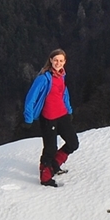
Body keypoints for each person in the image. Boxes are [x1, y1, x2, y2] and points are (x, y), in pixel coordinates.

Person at [24, 48, 79, 187]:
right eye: (56, 60)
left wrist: (69, 110)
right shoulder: (43, 78)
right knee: (50, 148)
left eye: (61, 61)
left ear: (65, 62)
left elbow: (64, 95)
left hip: (62, 115)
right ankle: (45, 176)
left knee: (73, 143)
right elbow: (31, 97)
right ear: (50, 60)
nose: (58, 63)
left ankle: (54, 164)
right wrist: (28, 118)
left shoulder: (62, 76)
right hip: (48, 118)